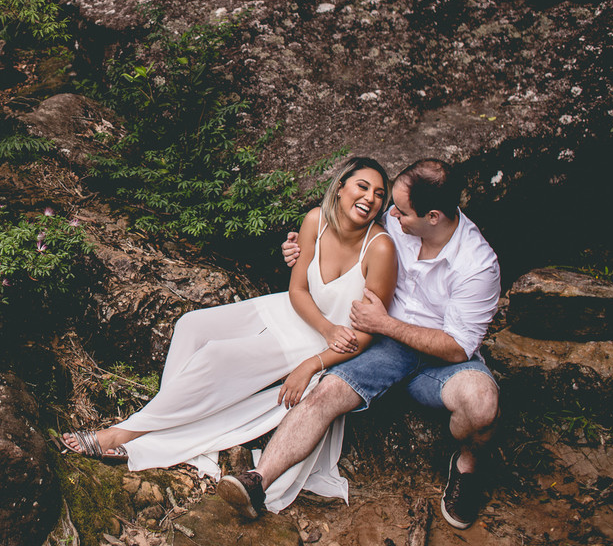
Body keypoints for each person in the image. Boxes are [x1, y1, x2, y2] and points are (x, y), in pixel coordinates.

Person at [62, 157, 398, 514]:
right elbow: (298, 290)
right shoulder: (316, 219)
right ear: (342, 186)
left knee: (216, 358)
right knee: (191, 326)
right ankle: (165, 422)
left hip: (319, 343)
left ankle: (126, 435)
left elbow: (367, 333)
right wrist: (327, 326)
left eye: (379, 194)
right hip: (295, 311)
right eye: (362, 186)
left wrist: (315, 359)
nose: (370, 198)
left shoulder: (380, 249)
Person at [216, 158, 501, 530]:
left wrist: (386, 323)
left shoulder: (477, 264)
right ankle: (258, 481)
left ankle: (467, 467)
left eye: (401, 210)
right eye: (392, 203)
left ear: (433, 217)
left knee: (482, 404)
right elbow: (342, 227)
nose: (391, 213)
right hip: (385, 347)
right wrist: (301, 249)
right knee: (325, 392)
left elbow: (457, 348)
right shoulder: (397, 227)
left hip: (443, 362)